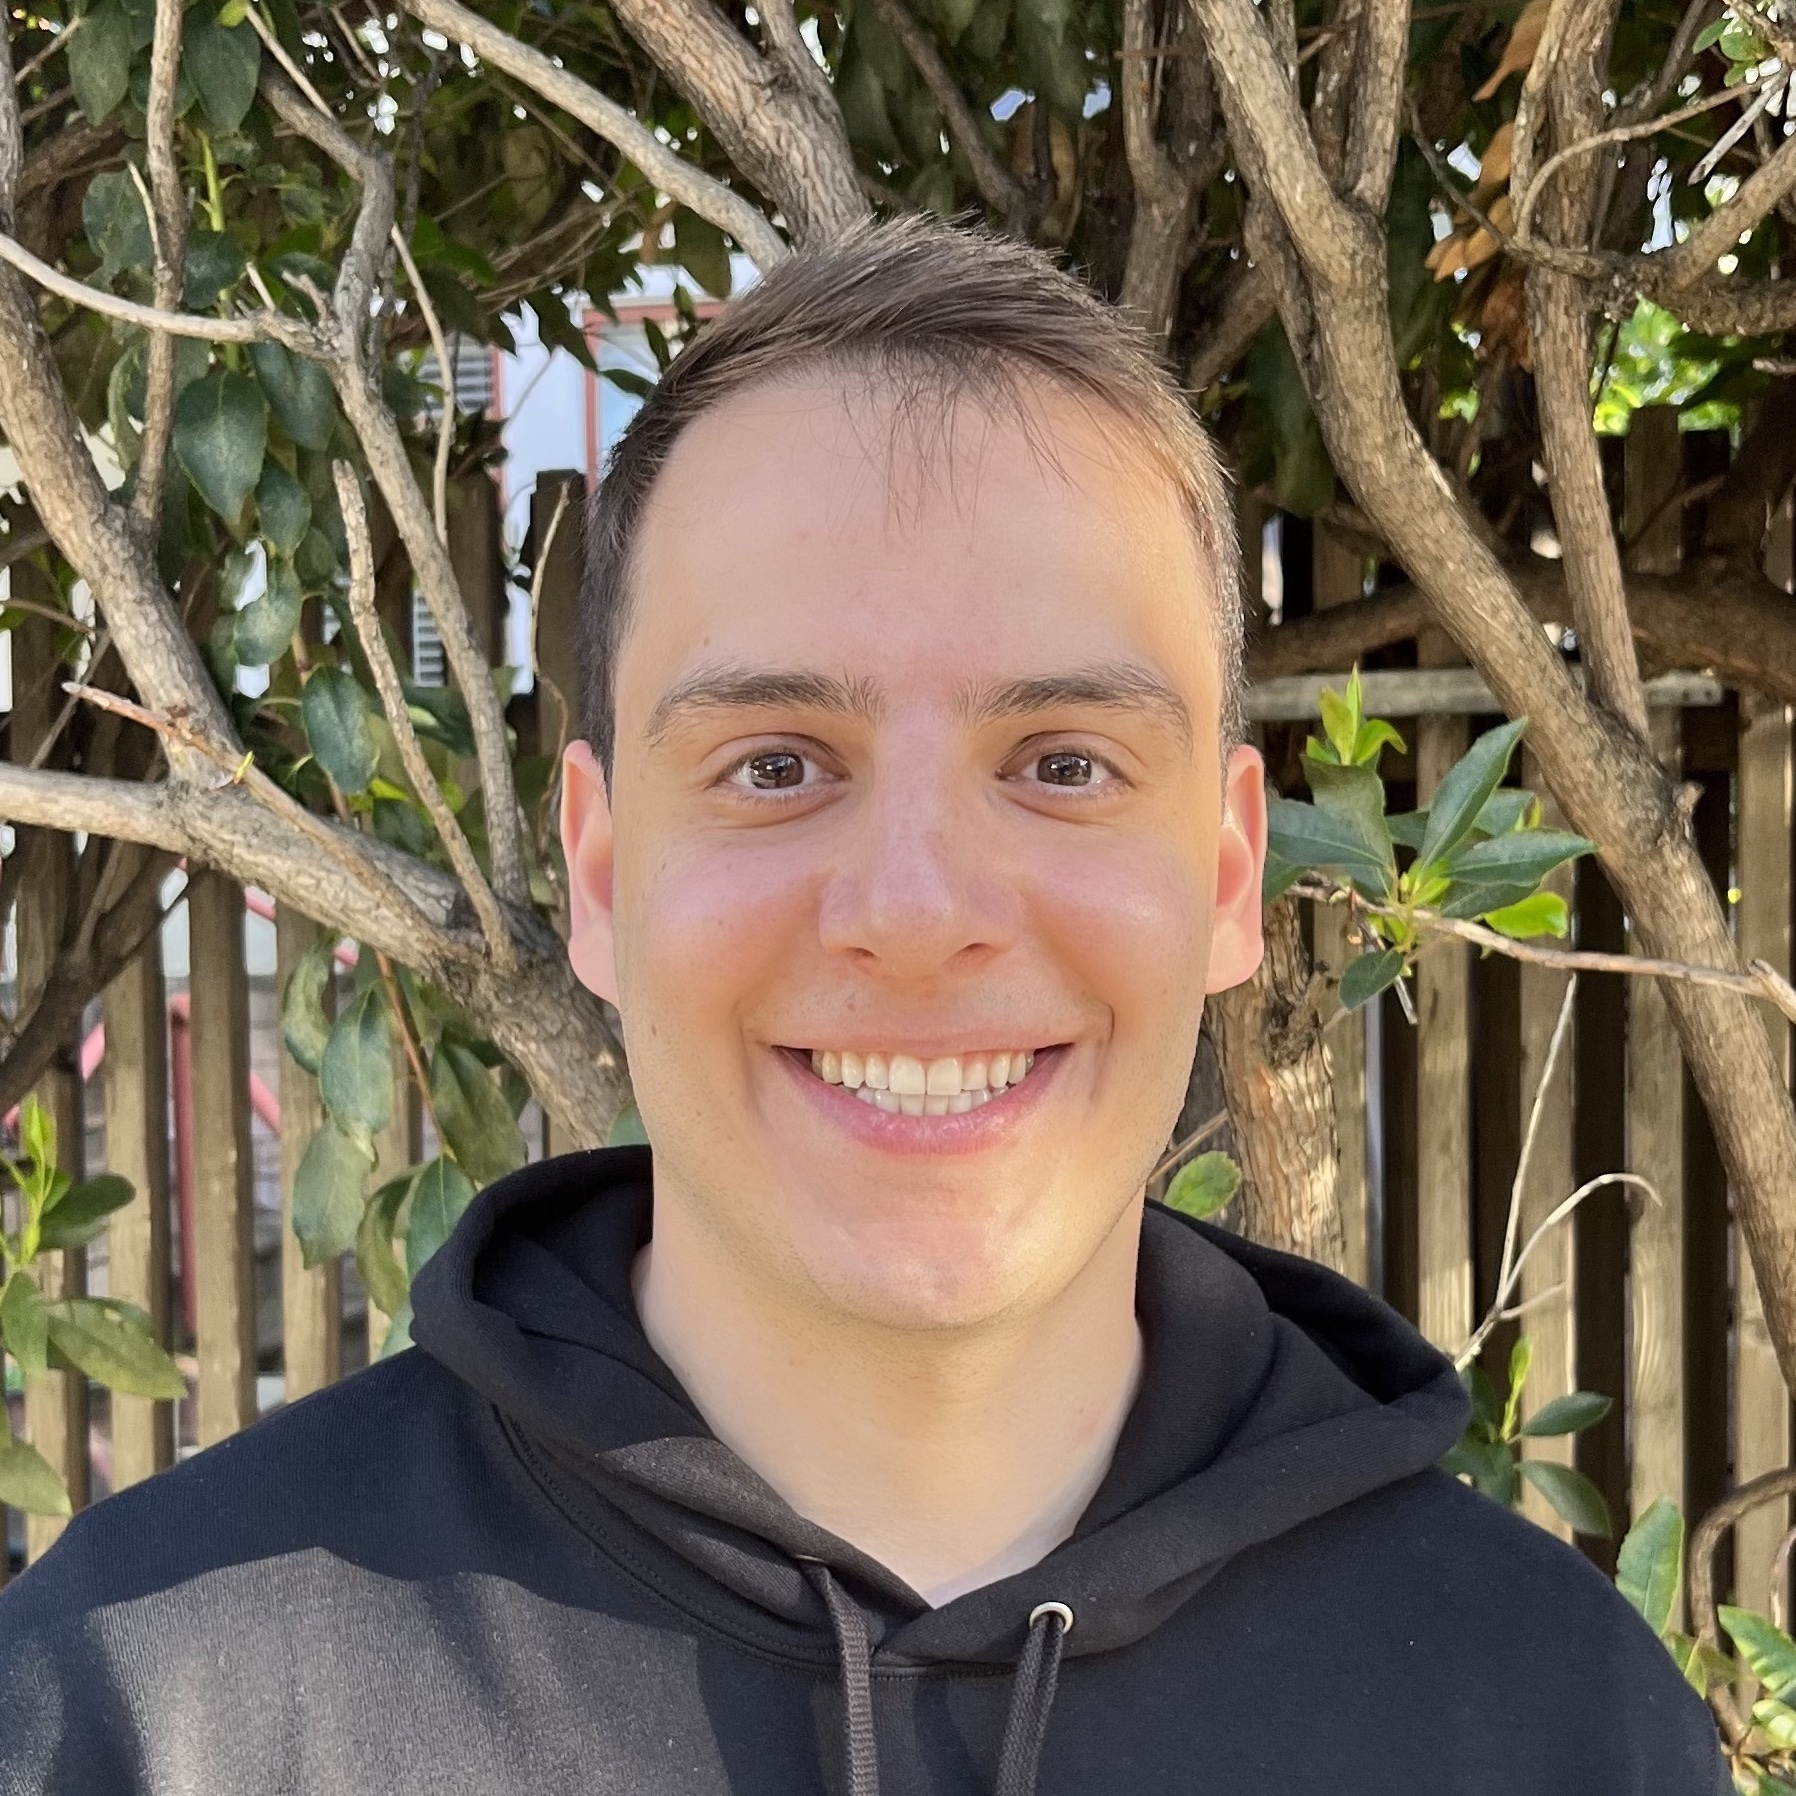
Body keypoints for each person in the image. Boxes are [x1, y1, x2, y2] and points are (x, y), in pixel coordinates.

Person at [0, 217, 1724, 1795]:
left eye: (1062, 763)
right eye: (776, 764)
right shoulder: (145, 1712)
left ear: (1224, 876)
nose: (915, 913)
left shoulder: (1563, 1729)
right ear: (600, 873)